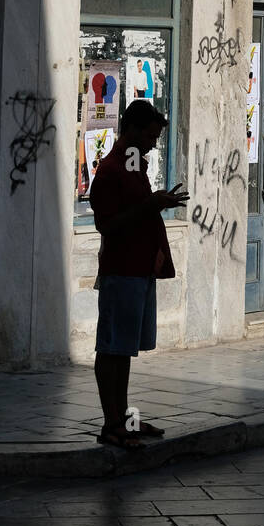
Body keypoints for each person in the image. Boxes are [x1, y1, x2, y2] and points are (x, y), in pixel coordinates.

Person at [89, 99, 188, 449]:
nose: (152, 143)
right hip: (121, 270)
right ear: (131, 130)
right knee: (112, 347)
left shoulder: (135, 168)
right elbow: (107, 224)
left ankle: (124, 419)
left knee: (126, 349)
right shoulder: (110, 170)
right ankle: (111, 424)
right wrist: (151, 204)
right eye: (149, 135)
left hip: (140, 270)